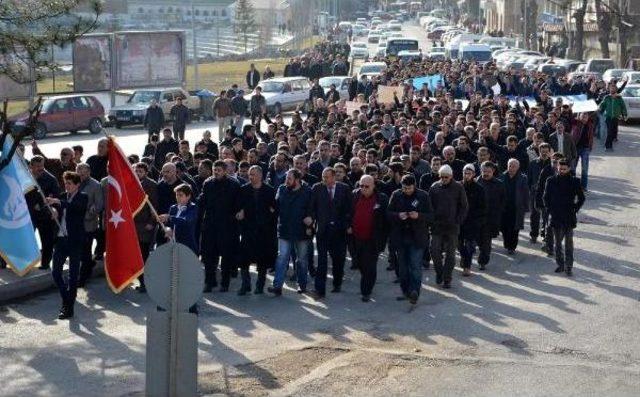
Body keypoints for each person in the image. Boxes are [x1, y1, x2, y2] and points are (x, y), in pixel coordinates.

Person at [46, 171, 88, 320]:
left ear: (77, 185)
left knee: (73, 275)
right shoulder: (63, 196)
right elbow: (59, 209)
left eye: (70, 183)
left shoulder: (83, 197)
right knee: (56, 272)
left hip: (74, 240)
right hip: (61, 240)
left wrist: (58, 203)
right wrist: (54, 211)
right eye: (65, 183)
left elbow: (75, 208)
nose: (67, 186)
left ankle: (68, 308)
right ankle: (67, 298)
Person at [387, 174, 433, 304]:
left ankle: (415, 291)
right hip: (400, 237)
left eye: (409, 188)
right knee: (402, 268)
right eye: (404, 188)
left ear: (415, 186)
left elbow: (431, 216)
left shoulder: (423, 196)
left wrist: (418, 215)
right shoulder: (396, 195)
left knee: (415, 265)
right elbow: (388, 213)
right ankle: (406, 291)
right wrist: (398, 215)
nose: (406, 190)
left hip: (417, 237)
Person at [198, 160, 242, 292]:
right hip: (210, 225)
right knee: (208, 256)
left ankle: (225, 282)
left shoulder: (234, 185)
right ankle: (209, 282)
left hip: (227, 226)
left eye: (219, 170)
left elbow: (238, 205)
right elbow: (203, 203)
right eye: (214, 170)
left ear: (225, 171)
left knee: (226, 256)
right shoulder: (208, 184)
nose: (216, 172)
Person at [309, 167, 352, 298]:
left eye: (327, 177)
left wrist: (348, 225)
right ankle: (319, 290)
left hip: (339, 232)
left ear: (334, 177)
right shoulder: (317, 188)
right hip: (322, 231)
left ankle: (337, 283)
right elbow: (312, 207)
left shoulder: (344, 189)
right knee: (321, 261)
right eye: (323, 177)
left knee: (338, 260)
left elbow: (349, 209)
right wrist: (311, 222)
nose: (324, 179)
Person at [269, 169, 313, 296]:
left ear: (297, 180)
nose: (286, 181)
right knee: (282, 257)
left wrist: (310, 221)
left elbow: (311, 209)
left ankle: (302, 284)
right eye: (286, 178)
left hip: (301, 231)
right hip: (284, 229)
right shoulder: (282, 189)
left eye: (289, 179)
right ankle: (277, 286)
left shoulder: (307, 191)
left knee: (302, 260)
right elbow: (276, 205)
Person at [237, 166, 278, 295]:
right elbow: (238, 205)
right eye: (250, 175)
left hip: (263, 230)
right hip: (248, 229)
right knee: (244, 259)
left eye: (253, 174)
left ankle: (260, 285)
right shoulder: (244, 190)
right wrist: (240, 212)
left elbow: (275, 209)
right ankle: (245, 284)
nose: (251, 177)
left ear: (260, 175)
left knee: (262, 260)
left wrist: (271, 214)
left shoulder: (269, 191)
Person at [543, 159, 585, 276]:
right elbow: (545, 197)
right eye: (560, 168)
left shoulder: (575, 181)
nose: (562, 171)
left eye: (564, 169)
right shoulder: (551, 180)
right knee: (557, 243)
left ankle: (569, 266)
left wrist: (575, 208)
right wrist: (550, 210)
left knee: (569, 244)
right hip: (556, 216)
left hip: (569, 216)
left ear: (569, 169)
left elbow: (581, 198)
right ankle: (560, 264)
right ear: (557, 168)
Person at [350, 175, 388, 302]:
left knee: (370, 266)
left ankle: (366, 291)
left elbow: (385, 221)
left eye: (367, 186)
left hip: (373, 239)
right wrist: (348, 226)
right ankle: (366, 280)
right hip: (356, 237)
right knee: (360, 263)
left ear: (373, 186)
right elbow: (348, 213)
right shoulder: (354, 195)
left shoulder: (381, 199)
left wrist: (383, 239)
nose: (363, 189)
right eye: (361, 186)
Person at [429, 165, 468, 288]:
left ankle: (447, 278)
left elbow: (464, 206)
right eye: (442, 177)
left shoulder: (458, 187)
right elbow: (429, 206)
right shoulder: (434, 187)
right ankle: (439, 272)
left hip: (452, 226)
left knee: (451, 254)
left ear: (451, 176)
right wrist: (431, 220)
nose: (444, 179)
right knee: (434, 251)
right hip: (437, 226)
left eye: (446, 177)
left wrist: (458, 220)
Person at [75, 163, 104, 287]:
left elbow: (99, 205)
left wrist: (87, 215)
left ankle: (82, 279)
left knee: (85, 251)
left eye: (83, 171)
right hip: (75, 223)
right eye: (78, 170)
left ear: (89, 172)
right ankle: (90, 264)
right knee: (80, 251)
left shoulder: (95, 185)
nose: (81, 173)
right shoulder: (74, 182)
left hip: (88, 224)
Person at [133, 162, 159, 292]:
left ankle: (146, 282)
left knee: (143, 254)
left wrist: (151, 222)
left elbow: (153, 205)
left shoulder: (151, 185)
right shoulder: (131, 183)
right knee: (136, 256)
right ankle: (141, 281)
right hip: (133, 225)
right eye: (136, 171)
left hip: (145, 225)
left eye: (140, 171)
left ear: (146, 172)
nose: (137, 173)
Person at [475, 161, 505, 270]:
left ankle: (483, 261)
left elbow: (503, 201)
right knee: (478, 239)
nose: (486, 173)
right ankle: (483, 251)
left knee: (486, 240)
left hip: (490, 218)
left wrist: (498, 214)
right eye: (484, 171)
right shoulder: (475, 182)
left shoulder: (499, 184)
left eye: (488, 171)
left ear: (493, 171)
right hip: (477, 218)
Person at [458, 164, 486, 276]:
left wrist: (478, 220)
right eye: (465, 173)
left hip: (472, 221)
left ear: (474, 174)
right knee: (459, 243)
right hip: (459, 220)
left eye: (469, 173)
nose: (466, 175)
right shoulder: (458, 186)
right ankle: (464, 258)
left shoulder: (479, 189)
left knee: (469, 245)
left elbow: (482, 207)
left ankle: (467, 266)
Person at [500, 159, 529, 255]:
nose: (511, 168)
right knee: (504, 227)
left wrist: (526, 206)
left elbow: (525, 193)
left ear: (518, 167)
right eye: (510, 166)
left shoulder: (522, 178)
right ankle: (507, 243)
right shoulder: (502, 176)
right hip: (504, 207)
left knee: (514, 228)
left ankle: (512, 246)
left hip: (517, 207)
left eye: (514, 166)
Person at [160, 184, 199, 254]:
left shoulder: (193, 208)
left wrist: (169, 217)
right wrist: (167, 229)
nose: (178, 197)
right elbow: (168, 225)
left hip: (187, 246)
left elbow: (186, 221)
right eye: (177, 195)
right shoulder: (173, 208)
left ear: (188, 196)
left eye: (181, 195)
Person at [598, 82, 628, 151]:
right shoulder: (607, 97)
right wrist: (599, 108)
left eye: (614, 88)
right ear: (609, 89)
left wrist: (625, 115)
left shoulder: (619, 98)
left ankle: (609, 144)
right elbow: (602, 105)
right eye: (611, 88)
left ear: (616, 89)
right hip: (608, 117)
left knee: (613, 133)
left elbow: (623, 107)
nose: (612, 89)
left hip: (615, 117)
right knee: (610, 132)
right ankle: (608, 146)